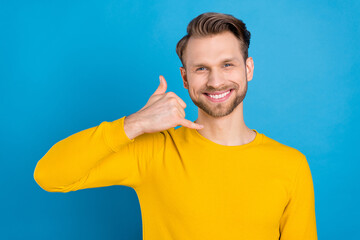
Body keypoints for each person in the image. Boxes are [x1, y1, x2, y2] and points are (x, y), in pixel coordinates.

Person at [34, 12, 318, 239]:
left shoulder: (291, 165)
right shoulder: (155, 150)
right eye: (201, 68)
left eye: (228, 65)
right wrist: (135, 123)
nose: (216, 81)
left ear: (249, 68)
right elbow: (49, 175)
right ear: (185, 78)